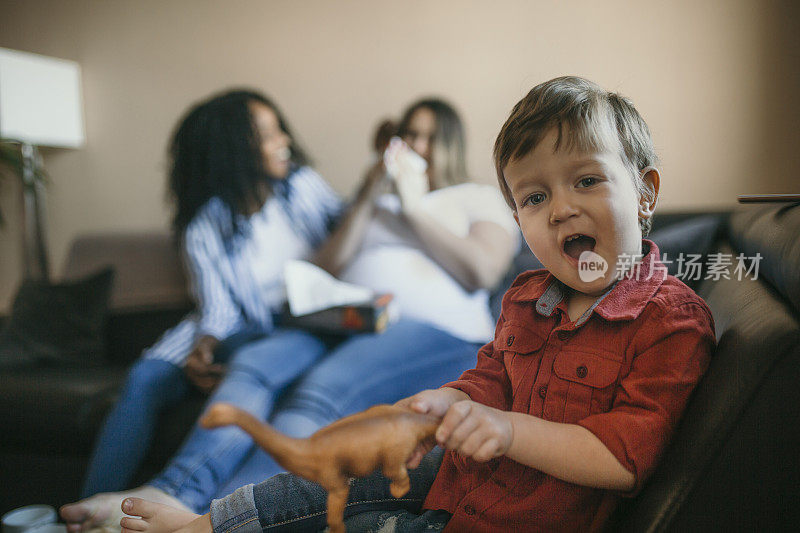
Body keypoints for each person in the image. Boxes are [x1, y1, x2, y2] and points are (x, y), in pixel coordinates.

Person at [119, 76, 716, 533]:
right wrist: (450, 399)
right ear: (521, 219)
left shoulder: (669, 320)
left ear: (645, 192)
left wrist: (506, 431)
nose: (560, 209)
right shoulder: (528, 298)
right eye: (535, 197)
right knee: (343, 464)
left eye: (587, 180)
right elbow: (492, 379)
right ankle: (206, 523)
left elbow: (622, 459)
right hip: (457, 483)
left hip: (510, 517)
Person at [63, 97, 518, 530]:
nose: (416, 147)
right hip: (347, 324)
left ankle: (217, 522)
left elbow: (482, 270)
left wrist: (415, 203)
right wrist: (374, 189)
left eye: (430, 137)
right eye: (408, 135)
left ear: (453, 144)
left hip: (438, 332)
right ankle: (178, 497)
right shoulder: (379, 202)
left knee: (317, 393)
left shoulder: (475, 197)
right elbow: (323, 268)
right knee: (250, 366)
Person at [60, 89, 341, 530]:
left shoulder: (301, 188)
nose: (284, 139)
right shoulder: (206, 222)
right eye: (268, 134)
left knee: (256, 365)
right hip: (225, 326)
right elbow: (218, 308)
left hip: (281, 331)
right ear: (235, 149)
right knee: (144, 378)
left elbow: (345, 233)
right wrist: (205, 347)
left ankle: (177, 505)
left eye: (278, 129)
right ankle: (89, 509)